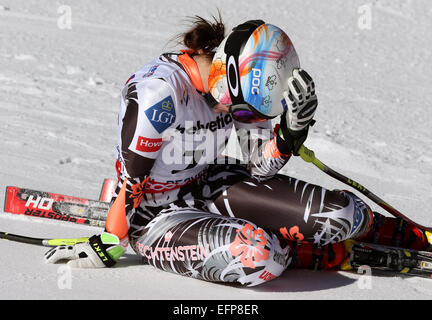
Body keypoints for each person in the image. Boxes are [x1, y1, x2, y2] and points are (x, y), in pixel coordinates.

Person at [44, 15, 430, 286]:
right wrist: (111, 241)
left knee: (341, 215)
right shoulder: (160, 95)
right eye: (242, 110)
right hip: (154, 213)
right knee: (258, 257)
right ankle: (301, 252)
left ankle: (399, 232)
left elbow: (257, 168)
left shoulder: (240, 84)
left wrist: (289, 134)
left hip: (208, 183)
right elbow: (133, 183)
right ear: (223, 73)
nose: (240, 117)